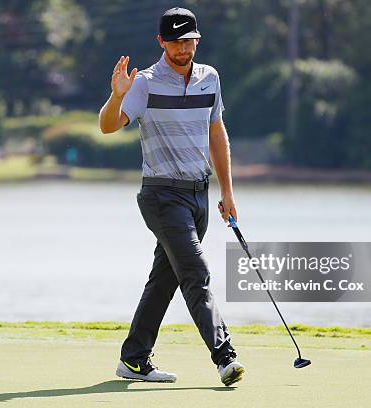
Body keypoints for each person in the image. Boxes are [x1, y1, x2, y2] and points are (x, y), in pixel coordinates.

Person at [99, 7, 245, 386]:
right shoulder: (145, 83)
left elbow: (216, 133)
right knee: (196, 273)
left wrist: (227, 191)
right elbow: (107, 126)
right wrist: (117, 97)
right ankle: (224, 355)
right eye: (176, 42)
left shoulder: (209, 77)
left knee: (165, 280)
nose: (184, 49)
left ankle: (133, 359)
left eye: (189, 41)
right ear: (161, 42)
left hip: (199, 194)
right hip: (162, 195)